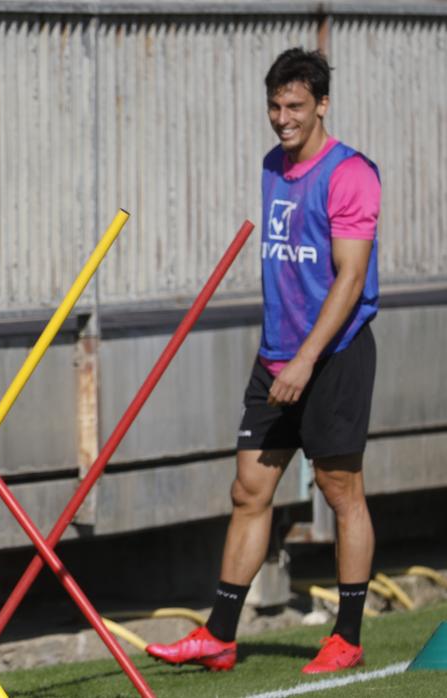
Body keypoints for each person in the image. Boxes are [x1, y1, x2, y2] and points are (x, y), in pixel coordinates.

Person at [147, 48, 381, 675]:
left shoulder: (351, 173)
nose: (283, 119)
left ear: (322, 105)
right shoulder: (271, 166)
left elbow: (351, 279)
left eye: (296, 107)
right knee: (249, 490)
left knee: (341, 490)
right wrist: (284, 356)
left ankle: (349, 637)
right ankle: (219, 635)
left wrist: (307, 360)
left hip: (332, 356)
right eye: (275, 106)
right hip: (276, 354)